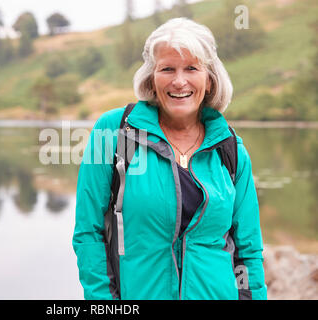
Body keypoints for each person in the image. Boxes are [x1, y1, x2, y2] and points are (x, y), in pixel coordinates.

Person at [72, 17, 267, 300]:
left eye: (191, 68)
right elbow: (88, 234)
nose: (179, 81)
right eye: (167, 69)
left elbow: (249, 250)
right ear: (151, 77)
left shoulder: (232, 150)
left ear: (209, 79)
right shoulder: (113, 132)